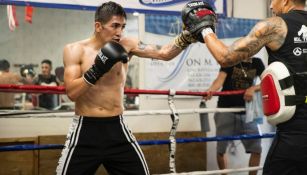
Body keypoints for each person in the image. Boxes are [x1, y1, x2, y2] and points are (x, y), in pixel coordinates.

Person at [56, 1, 195, 175]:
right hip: (85, 130)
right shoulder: (75, 50)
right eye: (114, 26)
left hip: (117, 128)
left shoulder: (127, 45)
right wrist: (96, 70)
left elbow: (164, 53)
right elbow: (72, 93)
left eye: (122, 26)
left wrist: (188, 35)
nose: (119, 32)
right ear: (98, 26)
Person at [181, 0, 307, 174]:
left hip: (294, 130)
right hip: (237, 110)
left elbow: (225, 56)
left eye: (273, 0)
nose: (270, 6)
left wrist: (205, 29)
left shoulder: (276, 25)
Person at [204, 57, 264, 175]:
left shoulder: (257, 62)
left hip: (247, 112)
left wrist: (254, 88)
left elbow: (267, 82)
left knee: (257, 149)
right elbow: (219, 80)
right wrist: (211, 90)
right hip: (225, 110)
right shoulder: (231, 60)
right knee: (221, 150)